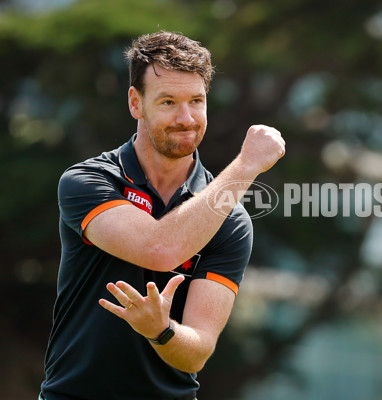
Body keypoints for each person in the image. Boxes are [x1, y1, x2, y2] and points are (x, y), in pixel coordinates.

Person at [40, 31, 285, 400]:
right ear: (135, 103)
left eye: (196, 101)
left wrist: (162, 330)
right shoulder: (87, 181)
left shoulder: (229, 221)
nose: (185, 118)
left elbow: (198, 351)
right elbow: (159, 247)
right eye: (168, 101)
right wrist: (247, 166)